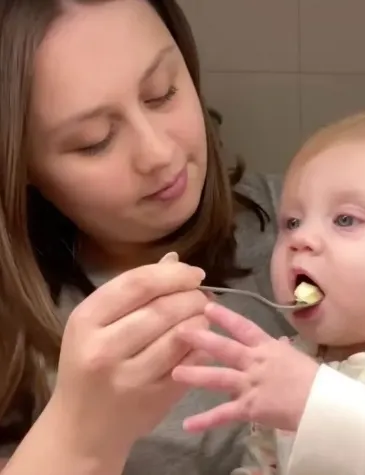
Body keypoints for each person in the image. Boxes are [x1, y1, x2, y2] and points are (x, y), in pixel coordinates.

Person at [0, 0, 292, 474]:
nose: (158, 154)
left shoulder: (319, 222)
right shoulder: (16, 342)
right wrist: (79, 437)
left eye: (162, 93)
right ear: (23, 167)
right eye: (94, 139)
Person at [172, 112, 365, 474]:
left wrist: (318, 403)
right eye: (292, 222)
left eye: (346, 219)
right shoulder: (292, 362)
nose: (300, 240)